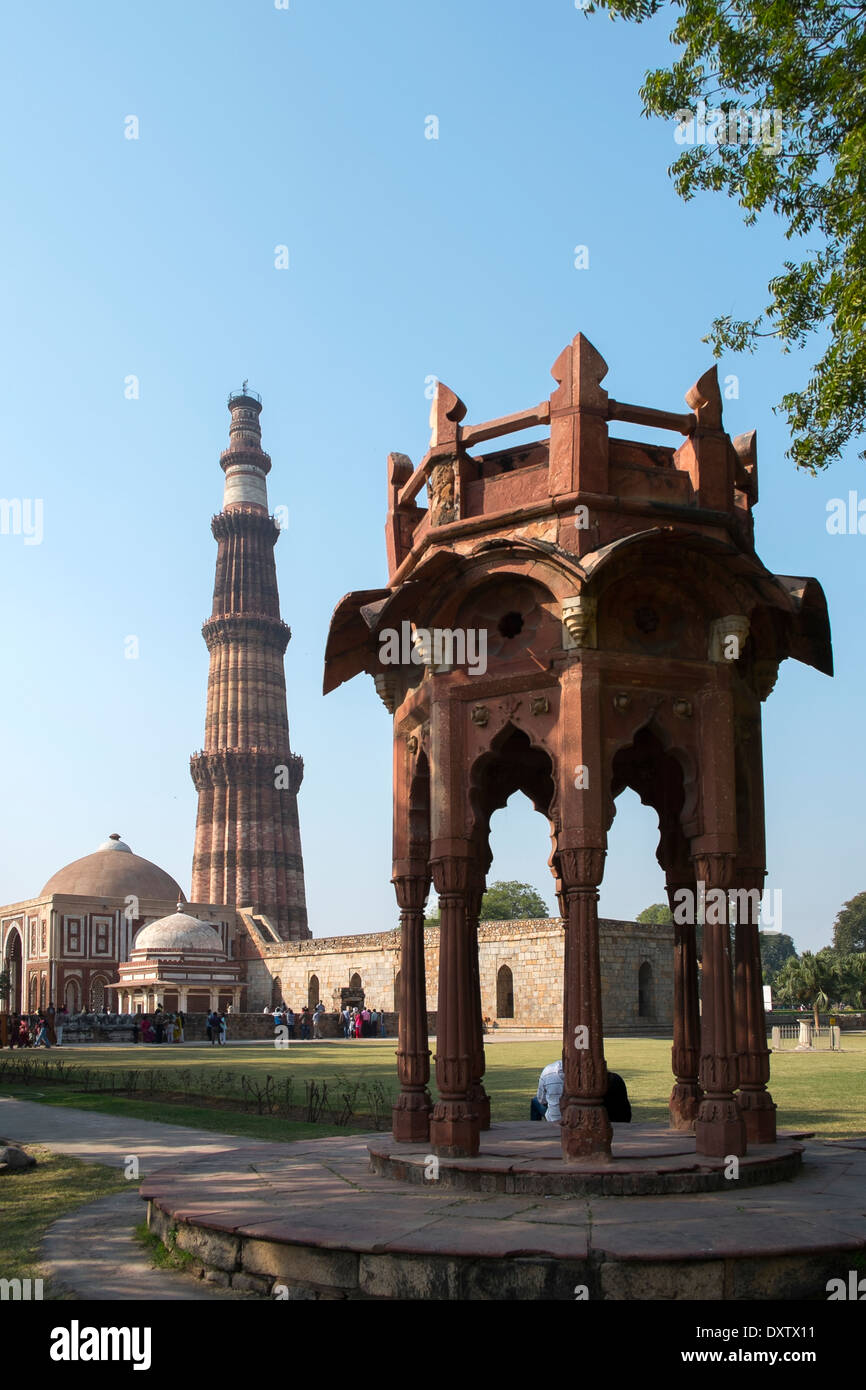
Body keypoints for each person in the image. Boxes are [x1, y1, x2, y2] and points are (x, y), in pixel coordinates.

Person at [530, 1060, 632, 1124]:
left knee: (535, 1102)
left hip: (590, 1121)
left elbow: (541, 1100)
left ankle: (535, 1129)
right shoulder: (615, 1079)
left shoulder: (549, 1071)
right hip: (621, 1119)